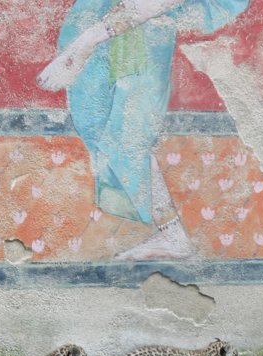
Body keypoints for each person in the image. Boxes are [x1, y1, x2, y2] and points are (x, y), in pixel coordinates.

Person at [38, 0, 250, 260]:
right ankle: (169, 231)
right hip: (105, 26)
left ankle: (172, 232)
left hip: (140, 29)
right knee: (98, 123)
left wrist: (84, 45)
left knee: (131, 131)